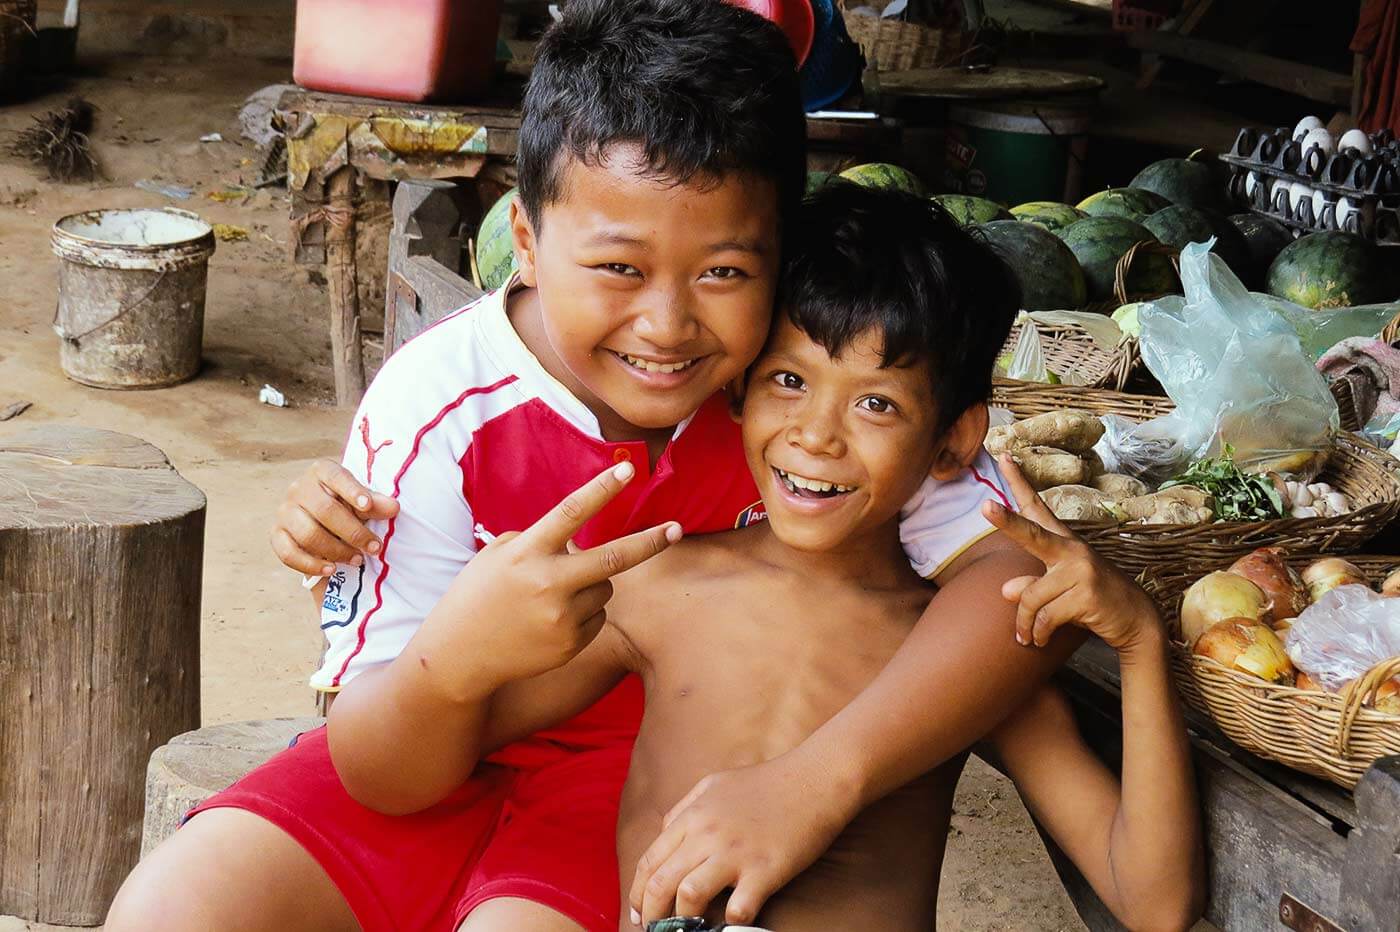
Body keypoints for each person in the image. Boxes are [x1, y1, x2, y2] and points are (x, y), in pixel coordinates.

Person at [109, 3, 1065, 930]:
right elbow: (379, 762)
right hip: (422, 747)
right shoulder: (439, 401)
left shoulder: (799, 392)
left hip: (635, 789)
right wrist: (455, 665)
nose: (667, 324)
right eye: (618, 268)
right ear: (525, 243)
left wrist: (823, 779)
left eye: (725, 271)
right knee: (172, 906)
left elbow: (1023, 578)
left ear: (782, 254)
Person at [392, 184, 1206, 930]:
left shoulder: (955, 667)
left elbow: (1155, 901)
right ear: (739, 388)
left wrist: (1138, 645)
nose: (816, 434)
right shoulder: (658, 589)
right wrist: (451, 645)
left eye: (877, 403)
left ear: (955, 441)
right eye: (789, 379)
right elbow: (440, 749)